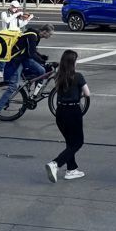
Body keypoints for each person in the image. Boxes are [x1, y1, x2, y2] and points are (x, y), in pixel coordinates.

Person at [0, 25, 52, 123]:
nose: (50, 36)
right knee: (13, 86)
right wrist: (43, 61)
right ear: (44, 31)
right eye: (50, 34)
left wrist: (42, 57)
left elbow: (32, 50)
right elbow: (31, 53)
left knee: (42, 71)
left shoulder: (36, 36)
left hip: (24, 59)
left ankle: (34, 94)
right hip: (17, 61)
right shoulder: (32, 36)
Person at [46, 49, 90, 182]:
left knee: (70, 142)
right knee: (78, 142)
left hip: (60, 112)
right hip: (73, 111)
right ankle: (56, 163)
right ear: (73, 62)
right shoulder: (78, 76)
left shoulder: (58, 76)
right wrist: (79, 94)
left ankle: (71, 169)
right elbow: (87, 93)